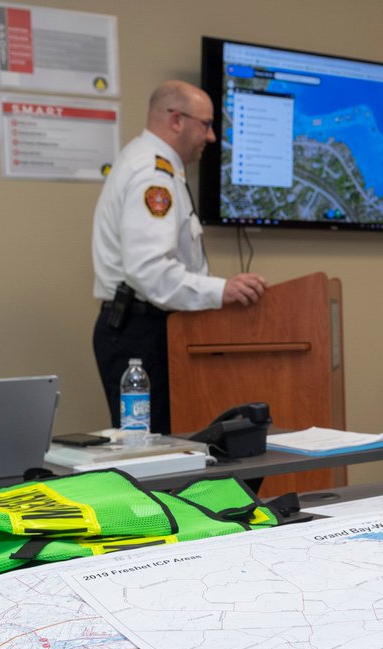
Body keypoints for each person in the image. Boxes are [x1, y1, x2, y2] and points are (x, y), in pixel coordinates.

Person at [92, 80, 268, 434]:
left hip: (154, 327)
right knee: (151, 452)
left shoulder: (158, 166)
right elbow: (149, 270)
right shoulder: (152, 174)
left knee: (170, 446)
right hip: (142, 333)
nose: (212, 136)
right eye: (206, 124)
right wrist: (222, 291)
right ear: (176, 120)